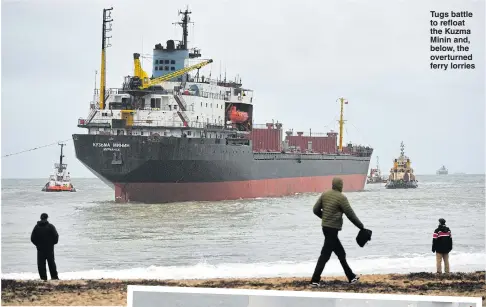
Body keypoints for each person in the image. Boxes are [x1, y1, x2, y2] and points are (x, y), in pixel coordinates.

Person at [310, 177, 364, 287]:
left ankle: (351, 277)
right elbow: (350, 215)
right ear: (340, 185)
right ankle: (314, 280)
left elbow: (315, 210)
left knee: (340, 253)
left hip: (325, 227)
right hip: (332, 229)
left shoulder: (324, 194)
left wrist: (324, 218)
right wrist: (361, 227)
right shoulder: (341, 198)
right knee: (325, 255)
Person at [30, 213, 59, 281]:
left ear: (40, 218)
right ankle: (54, 277)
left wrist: (37, 244)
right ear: (47, 218)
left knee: (41, 265)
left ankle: (43, 278)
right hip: (49, 248)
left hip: (40, 249)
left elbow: (32, 238)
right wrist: (53, 243)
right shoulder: (50, 226)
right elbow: (56, 236)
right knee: (51, 263)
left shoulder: (36, 227)